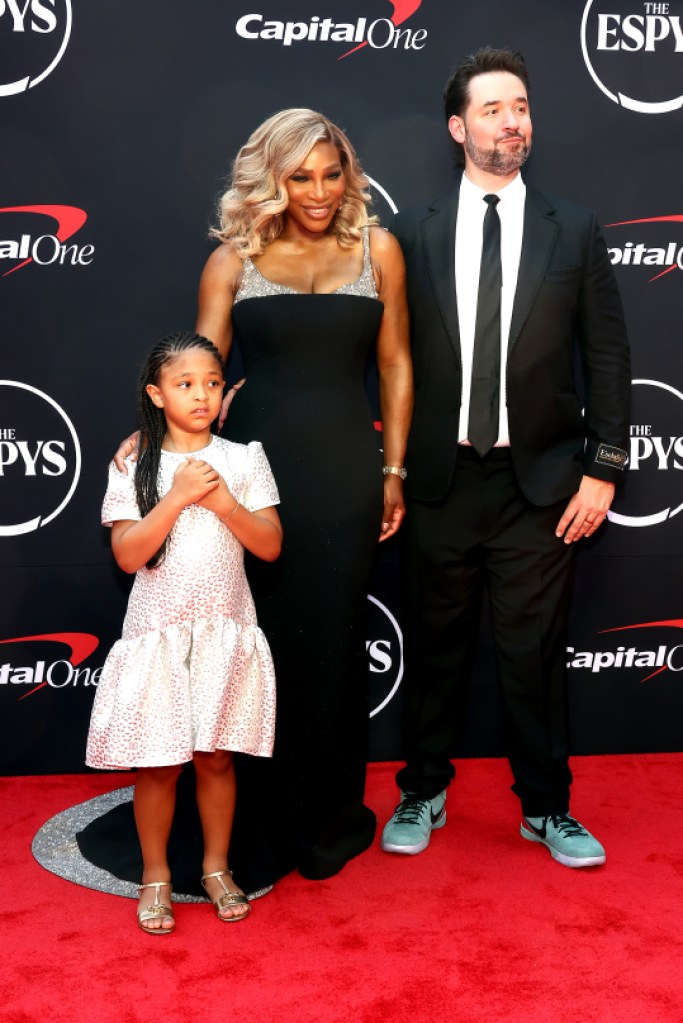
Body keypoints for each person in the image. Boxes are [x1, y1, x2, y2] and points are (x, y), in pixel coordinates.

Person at [113, 109, 412, 888]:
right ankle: (254, 822)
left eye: (330, 172)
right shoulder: (231, 261)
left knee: (334, 644)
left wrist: (394, 471)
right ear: (271, 178)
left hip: (346, 469)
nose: (317, 191)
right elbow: (197, 366)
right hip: (251, 476)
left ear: (348, 172)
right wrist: (149, 434)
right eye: (298, 176)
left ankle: (325, 819)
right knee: (258, 645)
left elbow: (396, 363)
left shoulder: (377, 250)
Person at [381, 48, 631, 868]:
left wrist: (602, 469)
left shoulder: (576, 226)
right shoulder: (409, 234)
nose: (510, 120)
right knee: (436, 646)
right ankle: (422, 788)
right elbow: (378, 355)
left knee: (532, 656)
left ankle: (547, 808)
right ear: (458, 128)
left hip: (542, 485)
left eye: (519, 105)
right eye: (492, 109)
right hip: (439, 480)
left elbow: (608, 356)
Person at [86, 331, 282, 932]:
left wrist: (224, 505)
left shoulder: (246, 457)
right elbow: (128, 555)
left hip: (225, 627)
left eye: (212, 383)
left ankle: (216, 868)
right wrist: (174, 498)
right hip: (159, 632)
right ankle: (155, 875)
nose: (201, 395)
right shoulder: (132, 462)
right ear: (157, 392)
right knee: (158, 764)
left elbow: (270, 546)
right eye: (185, 383)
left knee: (216, 757)